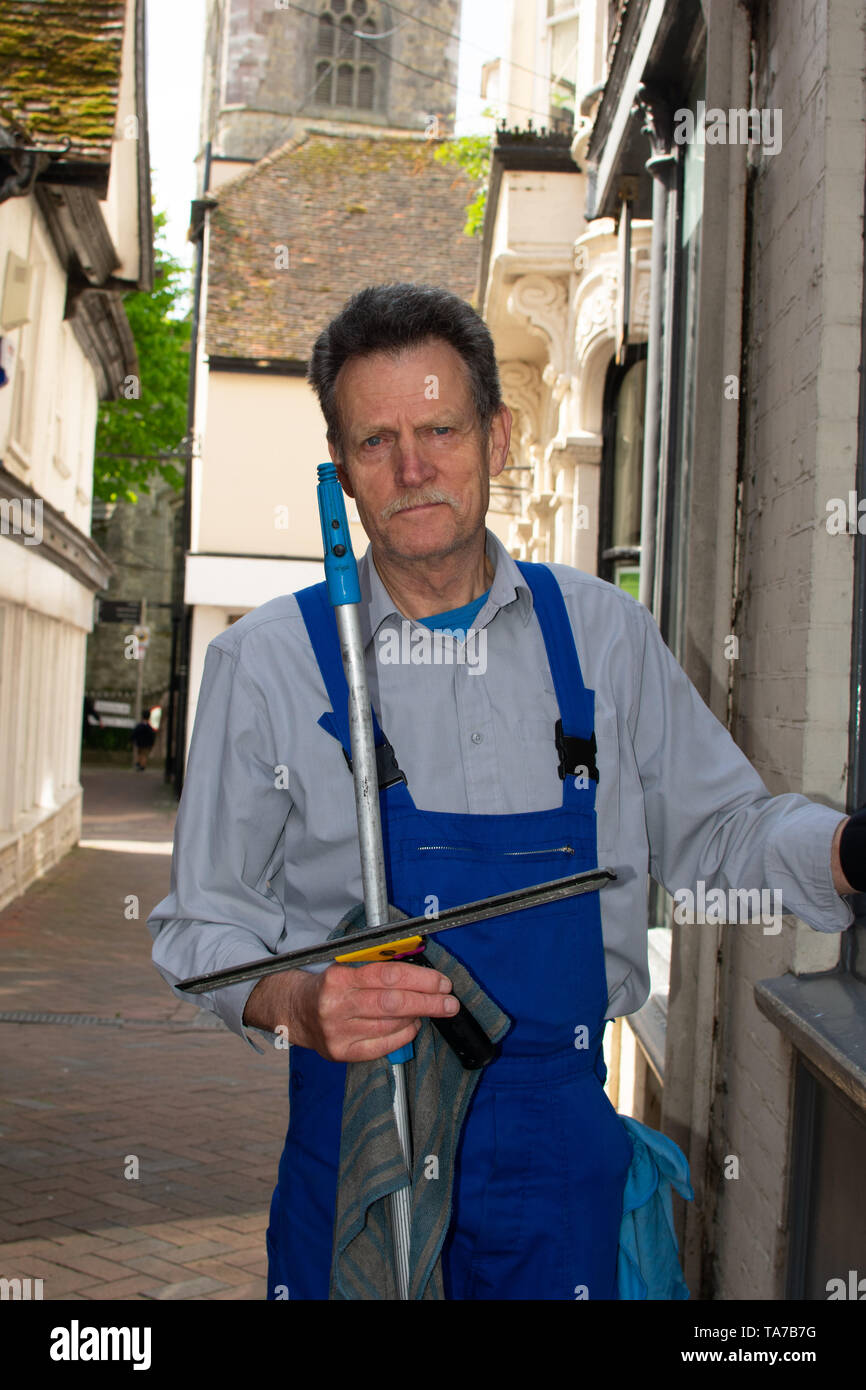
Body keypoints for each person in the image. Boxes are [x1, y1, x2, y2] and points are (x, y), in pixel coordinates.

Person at [147, 283, 861, 1302]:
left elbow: (724, 832)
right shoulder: (264, 666)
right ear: (339, 469)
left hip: (558, 1167)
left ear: (498, 432)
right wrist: (298, 1002)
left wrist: (841, 854)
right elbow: (202, 928)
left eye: (439, 427)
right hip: (360, 1149)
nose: (411, 467)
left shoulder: (604, 637)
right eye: (374, 440)